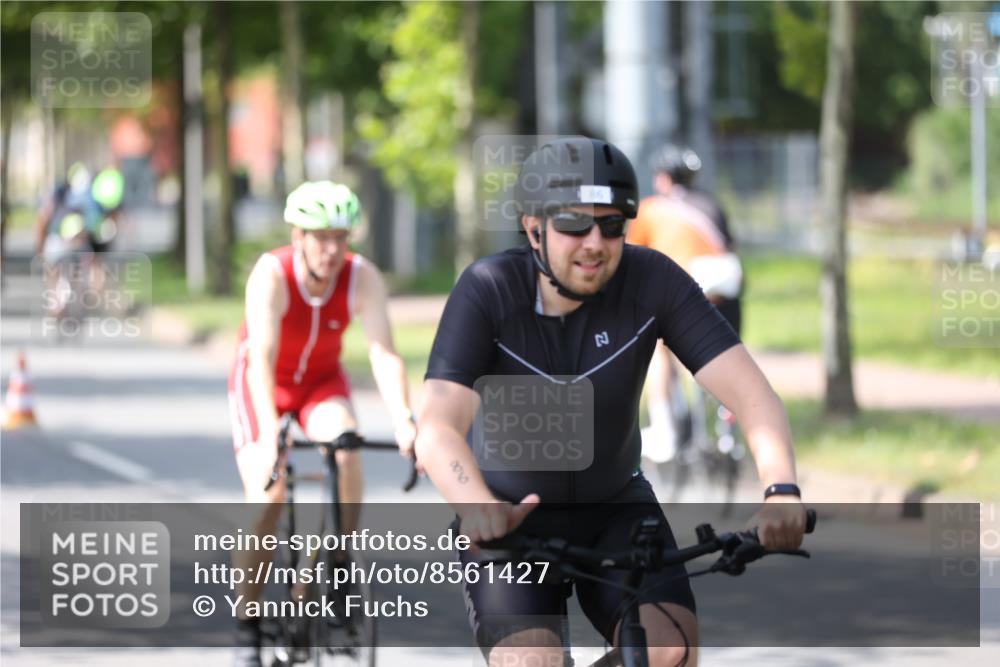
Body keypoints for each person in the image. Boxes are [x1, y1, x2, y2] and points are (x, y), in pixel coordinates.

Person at [414, 137, 805, 667]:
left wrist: (780, 488)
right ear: (533, 228)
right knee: (532, 662)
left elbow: (754, 397)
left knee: (670, 648)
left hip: (618, 510)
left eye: (612, 224)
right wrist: (475, 504)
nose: (595, 242)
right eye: (574, 224)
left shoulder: (654, 281)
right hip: (508, 521)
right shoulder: (489, 289)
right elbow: (437, 427)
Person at [227, 180, 417, 666]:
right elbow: (261, 359)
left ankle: (338, 563)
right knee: (267, 496)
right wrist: (271, 435)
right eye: (320, 237)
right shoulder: (272, 273)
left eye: (341, 237)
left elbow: (384, 353)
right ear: (298, 236)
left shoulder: (361, 276)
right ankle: (247, 624)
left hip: (320, 383)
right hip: (264, 384)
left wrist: (403, 419)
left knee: (347, 448)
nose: (332, 249)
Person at [627, 145, 744, 463]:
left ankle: (664, 429)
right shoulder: (712, 205)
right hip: (726, 282)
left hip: (688, 282)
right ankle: (726, 430)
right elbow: (728, 247)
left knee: (660, 349)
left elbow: (630, 256)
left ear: (663, 178)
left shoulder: (652, 209)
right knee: (724, 351)